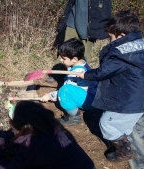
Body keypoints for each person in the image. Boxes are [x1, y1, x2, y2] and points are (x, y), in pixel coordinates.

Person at [78, 10, 144, 162]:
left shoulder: (121, 54)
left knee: (107, 124)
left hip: (129, 100)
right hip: (137, 97)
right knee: (123, 124)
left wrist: (85, 75)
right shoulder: (140, 45)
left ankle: (125, 151)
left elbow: (103, 72)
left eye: (110, 37)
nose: (109, 40)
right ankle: (124, 138)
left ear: (121, 35)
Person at [0, 101, 96, 169]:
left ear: (23, 129)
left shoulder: (31, 148)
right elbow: (22, 133)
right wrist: (4, 140)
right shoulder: (47, 125)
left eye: (13, 128)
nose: (11, 130)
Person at [47, 0, 112, 83]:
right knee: (66, 49)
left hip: (91, 24)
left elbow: (105, 9)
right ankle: (58, 73)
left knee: (83, 53)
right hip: (73, 21)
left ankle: (77, 77)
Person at [41, 38, 98, 125]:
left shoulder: (77, 72)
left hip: (90, 101)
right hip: (91, 96)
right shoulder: (82, 62)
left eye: (63, 58)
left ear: (75, 59)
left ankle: (74, 117)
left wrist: (49, 96)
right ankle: (78, 104)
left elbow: (66, 90)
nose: (61, 60)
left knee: (64, 91)